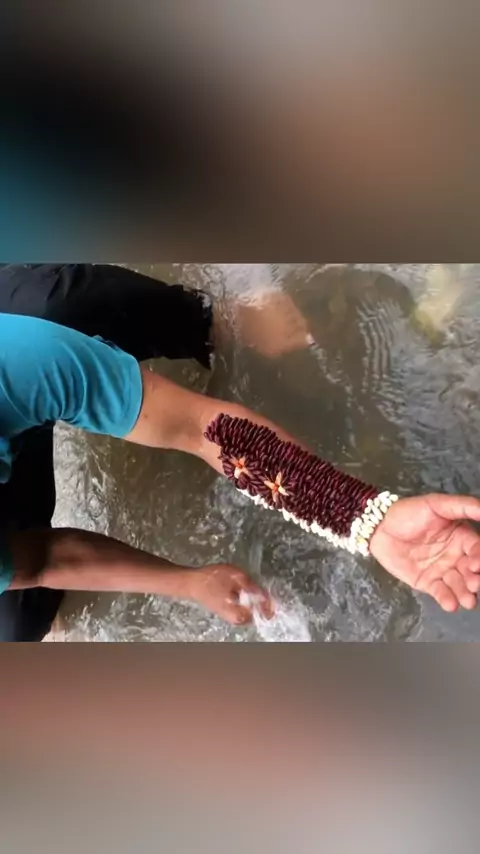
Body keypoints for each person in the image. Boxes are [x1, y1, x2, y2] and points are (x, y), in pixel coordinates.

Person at [0, 264, 479, 643]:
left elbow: (202, 429)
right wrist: (187, 581)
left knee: (58, 306)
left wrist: (365, 517)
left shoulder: (17, 362)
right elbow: (39, 561)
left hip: (27, 357)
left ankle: (208, 320)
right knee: (18, 627)